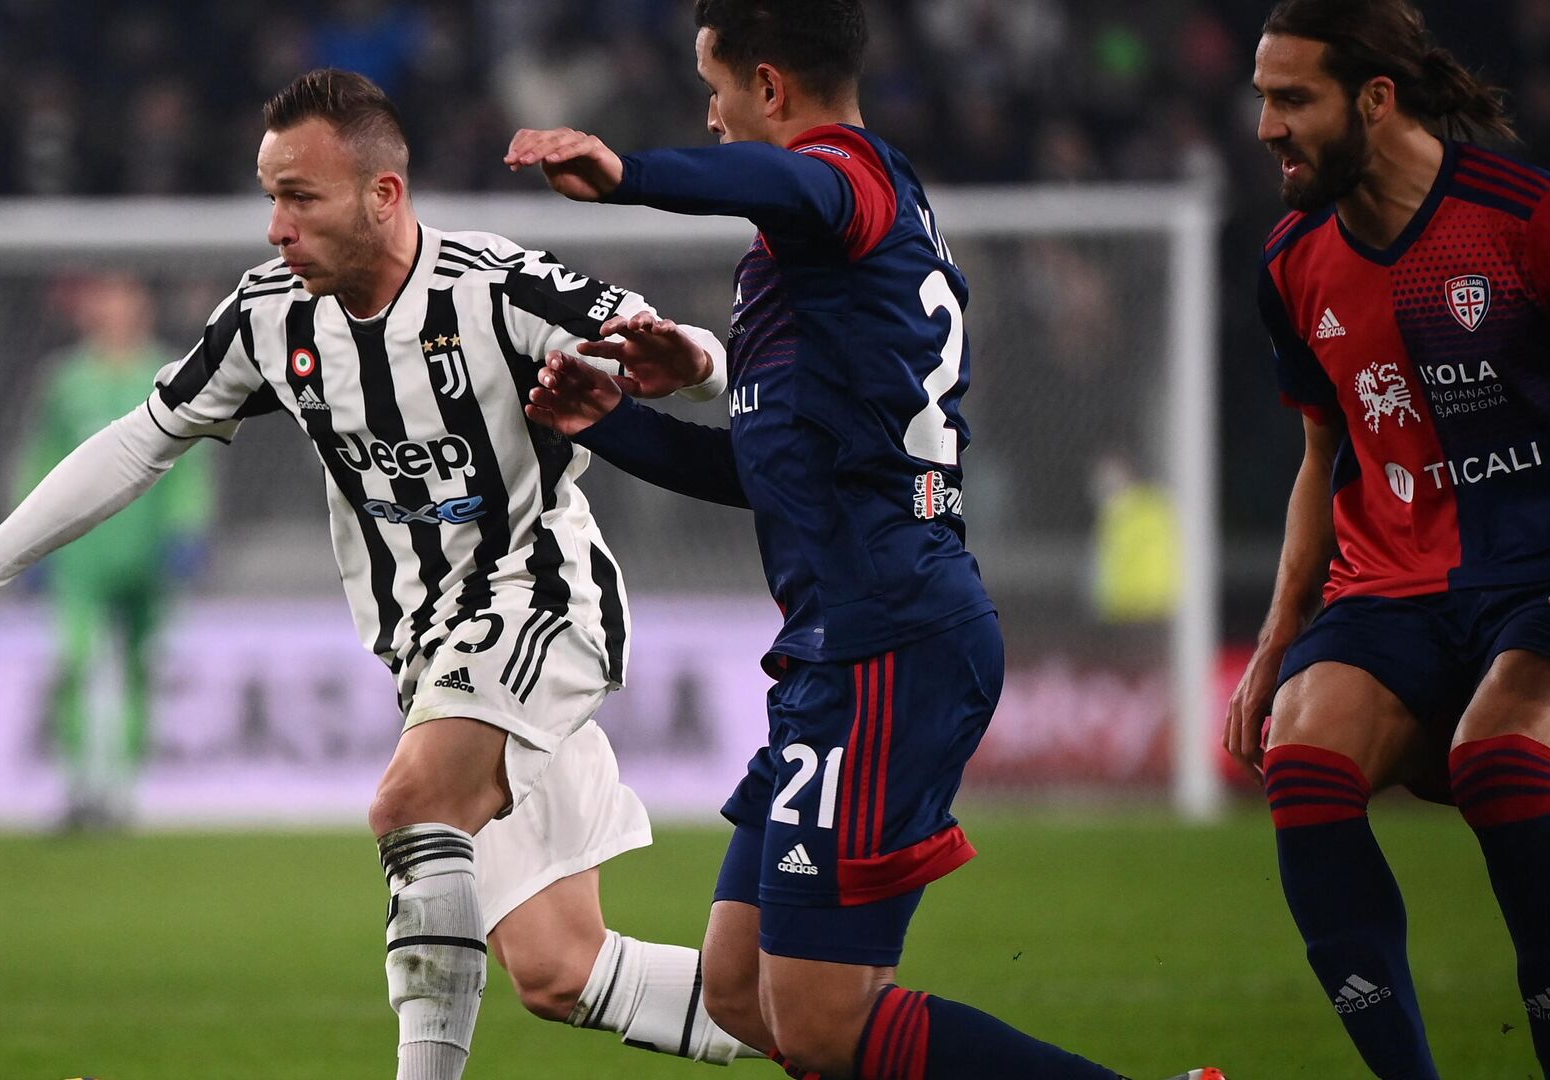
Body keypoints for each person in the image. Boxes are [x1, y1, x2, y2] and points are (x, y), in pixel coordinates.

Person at [0, 68, 761, 1079]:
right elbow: (138, 444)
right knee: (559, 971)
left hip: (538, 604)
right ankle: (841, 1032)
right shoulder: (269, 318)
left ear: (384, 195)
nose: (275, 227)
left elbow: (676, 344)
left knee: (410, 806)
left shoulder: (494, 286)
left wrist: (690, 363)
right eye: (270, 197)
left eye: (300, 197)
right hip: (431, 655)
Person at [508, 4, 1221, 1079]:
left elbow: (794, 181)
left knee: (826, 1018)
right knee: (745, 991)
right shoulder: (823, 261)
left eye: (716, 89)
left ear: (771, 87)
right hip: (843, 644)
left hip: (892, 635)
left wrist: (625, 174)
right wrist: (607, 423)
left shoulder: (846, 184)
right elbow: (765, 471)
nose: (711, 117)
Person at [1227, 2, 1550, 1077]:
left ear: (1375, 99)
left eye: (1293, 99)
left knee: (1502, 768)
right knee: (1304, 764)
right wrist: (1278, 638)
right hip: (1394, 590)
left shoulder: (1534, 218)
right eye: (1261, 98)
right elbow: (1319, 463)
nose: (1266, 127)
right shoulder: (1294, 264)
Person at [20, 271, 212, 830]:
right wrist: (28, 536)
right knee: (74, 661)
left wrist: (186, 528)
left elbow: (192, 458)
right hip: (79, 550)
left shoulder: (170, 373)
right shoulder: (63, 380)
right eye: (105, 300)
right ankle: (81, 785)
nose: (115, 311)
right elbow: (40, 457)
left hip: (146, 546)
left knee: (138, 668)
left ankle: (124, 790)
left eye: (126, 299)